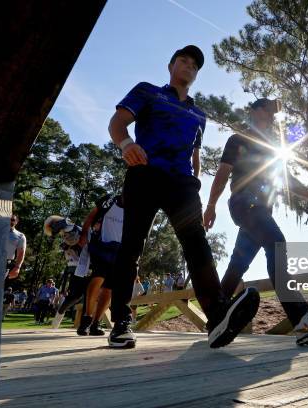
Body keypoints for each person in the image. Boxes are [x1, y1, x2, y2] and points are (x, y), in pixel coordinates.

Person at [107, 44, 259, 349]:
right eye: (183, 60)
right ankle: (121, 322)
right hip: (145, 173)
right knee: (132, 246)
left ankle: (216, 317)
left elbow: (195, 152)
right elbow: (118, 123)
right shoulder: (148, 92)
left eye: (194, 65)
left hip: (181, 185)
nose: (189, 66)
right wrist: (125, 145)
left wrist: (196, 179)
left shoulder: (198, 114)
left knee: (197, 243)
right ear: (171, 65)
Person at [203, 98, 308, 346]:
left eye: (275, 114)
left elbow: (288, 181)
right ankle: (302, 320)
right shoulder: (238, 139)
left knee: (238, 264)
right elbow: (223, 173)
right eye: (269, 111)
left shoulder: (273, 148)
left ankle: (214, 320)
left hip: (260, 210)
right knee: (276, 243)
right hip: (245, 202)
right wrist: (211, 205)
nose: (272, 117)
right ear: (255, 111)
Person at [76, 194, 125, 336]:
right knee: (98, 277)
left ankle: (95, 324)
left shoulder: (137, 208)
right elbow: (91, 216)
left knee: (109, 289)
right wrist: (84, 234)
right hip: (102, 246)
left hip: (119, 251)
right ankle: (86, 319)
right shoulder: (109, 200)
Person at [5, 214, 26, 280]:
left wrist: (17, 267)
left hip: (4, 265)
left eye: (12, 220)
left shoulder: (20, 236)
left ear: (16, 221)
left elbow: (21, 253)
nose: (10, 221)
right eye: (8, 219)